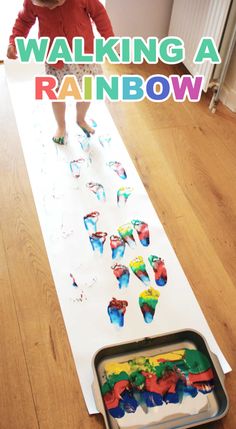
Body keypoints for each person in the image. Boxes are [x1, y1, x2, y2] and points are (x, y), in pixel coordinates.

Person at [7, 0, 114, 143]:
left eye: (56, 2)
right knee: (56, 96)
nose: (51, 7)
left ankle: (80, 119)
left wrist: (109, 39)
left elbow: (99, 13)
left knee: (86, 93)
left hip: (83, 55)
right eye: (45, 5)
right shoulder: (32, 3)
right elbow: (24, 21)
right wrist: (14, 42)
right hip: (55, 59)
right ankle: (61, 126)